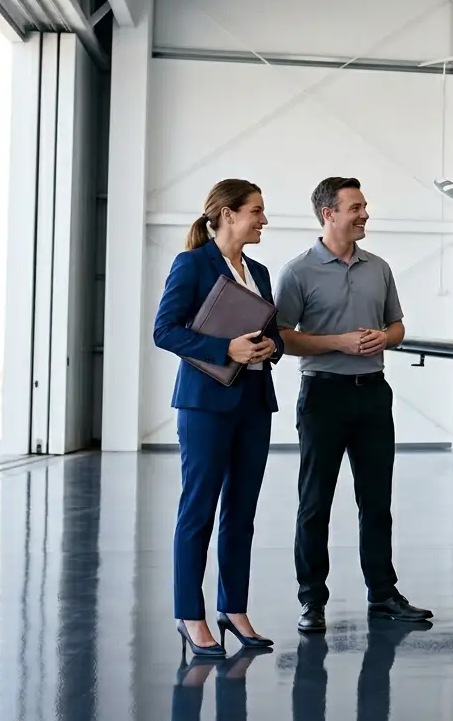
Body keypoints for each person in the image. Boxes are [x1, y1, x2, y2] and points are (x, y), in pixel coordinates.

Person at [274, 176, 433, 631]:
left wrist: (385, 337)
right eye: (356, 207)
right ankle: (312, 601)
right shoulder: (298, 271)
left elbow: (398, 326)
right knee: (315, 502)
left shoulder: (378, 268)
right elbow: (283, 338)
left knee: (377, 501)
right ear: (330, 213)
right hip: (322, 395)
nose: (364, 214)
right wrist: (339, 343)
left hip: (374, 395)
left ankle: (383, 594)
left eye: (364, 207)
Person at [154, 178, 283, 657]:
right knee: (198, 511)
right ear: (228, 214)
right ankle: (190, 614)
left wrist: (273, 347)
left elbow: (276, 334)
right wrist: (223, 348)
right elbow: (164, 331)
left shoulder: (261, 272)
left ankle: (234, 609)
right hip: (205, 405)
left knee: (242, 512)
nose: (263, 220)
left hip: (253, 402)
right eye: (256, 210)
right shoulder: (191, 264)